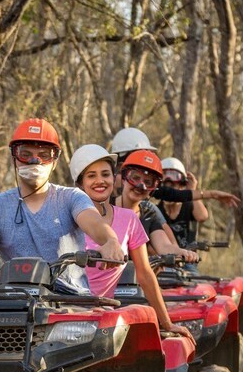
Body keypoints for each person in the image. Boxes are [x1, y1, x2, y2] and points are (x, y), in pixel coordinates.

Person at [0, 118, 124, 292]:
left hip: (70, 301)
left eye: (44, 155)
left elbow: (94, 224)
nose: (34, 161)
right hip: (16, 301)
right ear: (14, 158)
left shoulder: (71, 197)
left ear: (54, 161)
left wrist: (111, 241)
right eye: (26, 154)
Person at [70, 144, 193, 340]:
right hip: (67, 311)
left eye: (105, 174)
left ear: (114, 178)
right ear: (80, 183)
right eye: (91, 176)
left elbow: (145, 274)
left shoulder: (129, 219)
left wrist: (167, 322)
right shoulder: (67, 217)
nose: (100, 181)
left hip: (104, 315)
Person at [110, 127, 240, 206]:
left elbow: (175, 195)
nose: (139, 184)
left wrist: (212, 194)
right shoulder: (105, 185)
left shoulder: (147, 204)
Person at [112, 150, 199, 263]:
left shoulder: (149, 215)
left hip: (134, 277)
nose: (140, 186)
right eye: (135, 178)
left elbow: (164, 246)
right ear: (124, 178)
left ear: (154, 188)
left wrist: (183, 252)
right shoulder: (105, 206)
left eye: (148, 182)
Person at [158, 157, 209, 249]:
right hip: (164, 259)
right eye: (166, 190)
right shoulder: (156, 210)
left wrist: (192, 190)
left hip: (188, 259)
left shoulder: (189, 205)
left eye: (173, 189)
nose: (170, 194)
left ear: (182, 186)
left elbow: (202, 216)